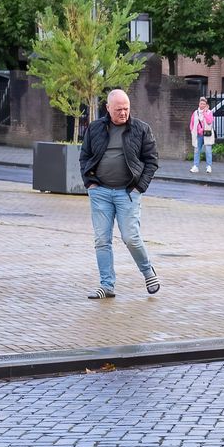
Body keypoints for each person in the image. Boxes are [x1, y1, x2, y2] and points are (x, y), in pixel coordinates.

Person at [79, 89, 160, 299]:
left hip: (128, 192)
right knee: (101, 240)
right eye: (118, 109)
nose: (123, 113)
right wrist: (90, 183)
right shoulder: (95, 128)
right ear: (108, 108)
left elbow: (152, 161)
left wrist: (140, 187)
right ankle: (107, 285)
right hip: (100, 192)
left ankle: (147, 271)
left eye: (126, 108)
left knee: (130, 238)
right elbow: (85, 155)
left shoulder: (141, 129)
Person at [189, 97, 215, 174]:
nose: (202, 105)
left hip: (207, 134)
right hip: (198, 135)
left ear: (206, 105)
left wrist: (205, 113)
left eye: (204, 104)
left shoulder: (209, 112)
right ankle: (195, 166)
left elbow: (210, 121)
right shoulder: (195, 112)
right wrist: (192, 130)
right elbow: (192, 123)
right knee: (196, 150)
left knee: (208, 151)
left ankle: (209, 166)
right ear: (199, 104)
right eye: (201, 103)